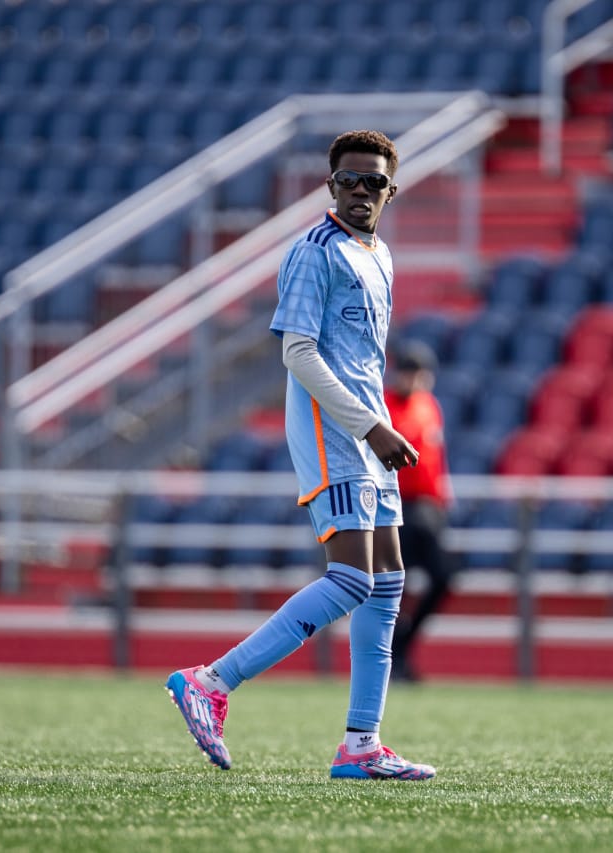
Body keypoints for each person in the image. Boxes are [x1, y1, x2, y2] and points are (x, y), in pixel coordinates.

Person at [166, 130, 436, 781]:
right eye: (350, 180)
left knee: (389, 582)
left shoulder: (380, 254)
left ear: (390, 190)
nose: (362, 190)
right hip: (334, 435)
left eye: (374, 181)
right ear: (331, 186)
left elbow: (363, 360)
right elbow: (299, 354)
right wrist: (372, 426)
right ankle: (211, 680)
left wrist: (377, 426)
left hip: (367, 436)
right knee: (351, 580)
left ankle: (361, 744)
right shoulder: (314, 251)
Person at [383, 341, 457, 683]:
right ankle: (393, 661)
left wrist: (443, 495)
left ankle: (402, 646)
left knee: (443, 577)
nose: (414, 380)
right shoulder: (383, 407)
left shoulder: (429, 406)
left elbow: (435, 458)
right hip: (396, 507)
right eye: (410, 372)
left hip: (427, 509)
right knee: (393, 587)